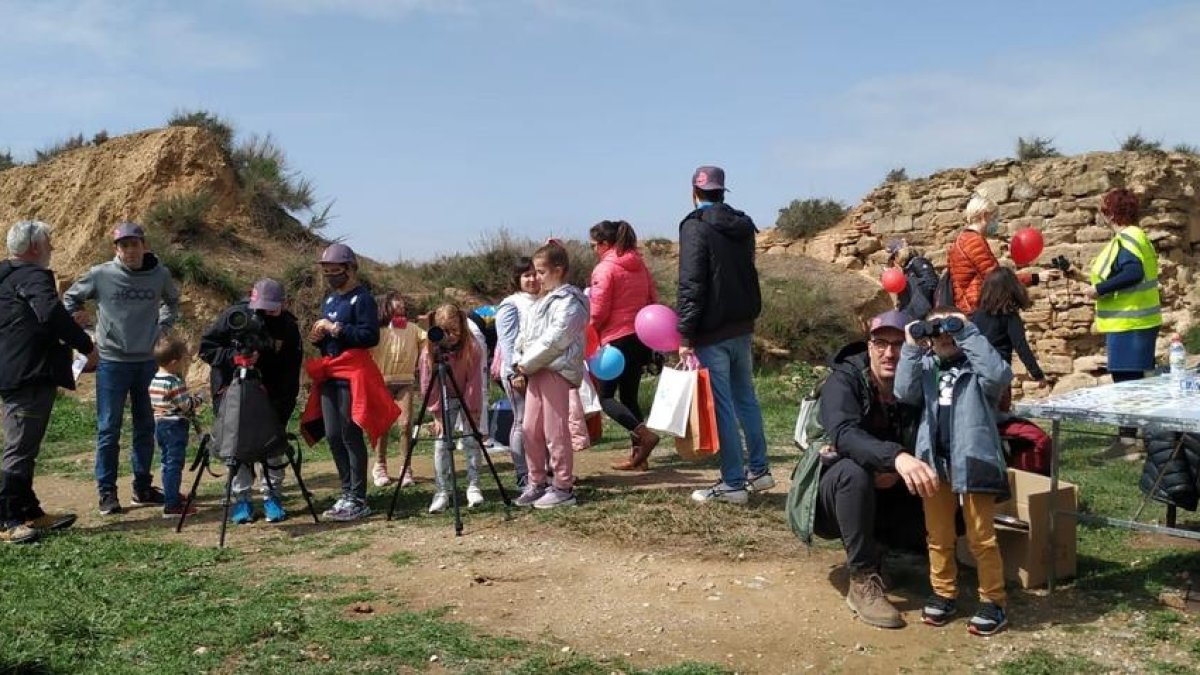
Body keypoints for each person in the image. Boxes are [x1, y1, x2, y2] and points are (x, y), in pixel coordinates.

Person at [791, 310, 932, 629]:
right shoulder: (844, 379)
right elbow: (844, 431)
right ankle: (862, 578)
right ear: (868, 346)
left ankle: (888, 549)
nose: (890, 353)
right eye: (881, 343)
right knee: (854, 475)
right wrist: (895, 457)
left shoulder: (919, 384)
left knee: (939, 478)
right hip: (833, 495)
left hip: (892, 489)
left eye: (899, 344)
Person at [895, 308, 1012, 636]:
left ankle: (994, 600)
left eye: (951, 330)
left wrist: (966, 331)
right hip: (934, 460)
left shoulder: (977, 369)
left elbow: (999, 376)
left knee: (981, 537)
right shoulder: (928, 366)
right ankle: (944, 592)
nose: (944, 336)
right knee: (939, 535)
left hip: (973, 457)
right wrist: (911, 347)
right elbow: (904, 391)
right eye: (938, 331)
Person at [63, 222, 181, 516]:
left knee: (145, 426)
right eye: (123, 245)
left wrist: (163, 326)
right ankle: (107, 493)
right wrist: (78, 319)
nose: (129, 251)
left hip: (147, 362)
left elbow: (173, 300)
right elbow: (70, 297)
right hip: (112, 362)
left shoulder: (159, 275)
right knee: (108, 428)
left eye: (134, 244)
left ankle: (142, 488)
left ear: (144, 245)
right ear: (116, 249)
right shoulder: (101, 274)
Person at [676, 165, 773, 504]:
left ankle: (732, 483)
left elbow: (691, 283)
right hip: (742, 325)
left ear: (694, 192)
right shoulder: (743, 225)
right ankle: (759, 470)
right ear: (722, 192)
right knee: (745, 398)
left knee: (722, 406)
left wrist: (685, 335)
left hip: (712, 330)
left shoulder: (694, 227)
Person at [0, 220, 97, 544]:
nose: (53, 248)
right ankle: (8, 520)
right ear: (35, 248)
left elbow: (26, 321)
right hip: (28, 373)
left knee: (25, 445)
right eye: (49, 243)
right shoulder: (32, 276)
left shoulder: (7, 278)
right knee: (19, 449)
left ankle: (29, 511)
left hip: (14, 370)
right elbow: (48, 312)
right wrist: (85, 344)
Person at [300, 244, 396, 522]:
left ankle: (358, 496)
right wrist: (319, 338)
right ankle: (345, 491)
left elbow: (370, 336)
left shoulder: (362, 299)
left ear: (350, 269)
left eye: (336, 271)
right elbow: (330, 341)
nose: (331, 276)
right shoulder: (330, 301)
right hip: (330, 372)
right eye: (327, 272)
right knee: (332, 433)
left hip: (352, 372)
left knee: (349, 432)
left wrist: (337, 329)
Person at [199, 278, 304, 523]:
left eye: (272, 308)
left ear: (283, 304)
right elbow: (206, 348)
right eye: (261, 308)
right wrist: (234, 357)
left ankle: (272, 497)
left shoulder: (288, 327)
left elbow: (291, 371)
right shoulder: (234, 317)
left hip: (271, 396)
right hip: (233, 393)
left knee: (272, 448)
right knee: (238, 447)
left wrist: (283, 409)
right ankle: (242, 500)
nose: (265, 313)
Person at [1083, 188, 1162, 463]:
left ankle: (1128, 445)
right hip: (1138, 321)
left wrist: (1100, 290)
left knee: (1126, 385)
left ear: (1112, 212)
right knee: (1132, 384)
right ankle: (1133, 440)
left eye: (1103, 209)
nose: (1101, 215)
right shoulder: (1137, 237)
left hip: (1130, 323)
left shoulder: (1127, 239)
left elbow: (1133, 272)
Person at [511, 240, 588, 509]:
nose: (537, 278)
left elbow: (556, 339)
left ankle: (563, 486)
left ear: (558, 270)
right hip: (537, 369)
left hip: (555, 370)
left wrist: (526, 364)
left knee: (555, 429)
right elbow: (527, 336)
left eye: (541, 272)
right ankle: (537, 481)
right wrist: (519, 361)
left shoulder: (571, 301)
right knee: (531, 427)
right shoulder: (542, 301)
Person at [588, 220, 661, 471]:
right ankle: (640, 459)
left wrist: (588, 332)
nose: (593, 250)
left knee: (606, 398)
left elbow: (598, 310)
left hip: (614, 340)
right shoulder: (640, 265)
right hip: (640, 337)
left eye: (593, 245)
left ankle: (644, 434)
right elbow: (653, 299)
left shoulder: (604, 270)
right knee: (629, 397)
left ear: (605, 244)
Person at [420, 304, 488, 513]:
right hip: (443, 396)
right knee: (442, 444)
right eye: (444, 331)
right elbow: (426, 383)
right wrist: (437, 414)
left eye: (454, 331)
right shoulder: (429, 351)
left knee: (470, 439)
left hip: (466, 395)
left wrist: (473, 411)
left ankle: (474, 486)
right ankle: (442, 491)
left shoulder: (472, 348)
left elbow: (475, 382)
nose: (449, 337)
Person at [972, 267, 1047, 410]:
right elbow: (1021, 347)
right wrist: (1038, 375)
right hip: (999, 374)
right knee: (1001, 415)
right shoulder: (1009, 316)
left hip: (977, 370)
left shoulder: (976, 314)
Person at [370, 292, 424, 488]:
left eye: (402, 304)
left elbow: (428, 342)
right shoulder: (377, 330)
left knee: (405, 424)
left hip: (405, 382)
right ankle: (380, 465)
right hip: (382, 383)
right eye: (395, 304)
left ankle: (405, 467)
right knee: (382, 426)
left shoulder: (413, 328)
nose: (400, 306)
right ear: (386, 307)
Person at [495, 257, 539, 488]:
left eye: (534, 273)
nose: (532, 279)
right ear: (517, 279)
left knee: (538, 423)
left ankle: (542, 470)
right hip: (518, 372)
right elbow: (507, 342)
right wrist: (515, 372)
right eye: (526, 275)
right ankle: (522, 473)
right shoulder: (511, 304)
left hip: (538, 369)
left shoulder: (542, 299)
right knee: (522, 421)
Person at [149, 335, 202, 519]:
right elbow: (185, 404)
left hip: (160, 424)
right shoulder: (174, 382)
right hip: (175, 426)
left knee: (166, 463)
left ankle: (171, 493)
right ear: (173, 362)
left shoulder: (155, 379)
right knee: (174, 464)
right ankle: (172, 505)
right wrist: (199, 399)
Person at [887, 240, 938, 319]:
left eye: (894, 256)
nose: (894, 261)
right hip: (913, 311)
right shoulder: (906, 268)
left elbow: (931, 283)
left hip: (926, 309)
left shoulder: (917, 262)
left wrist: (911, 281)